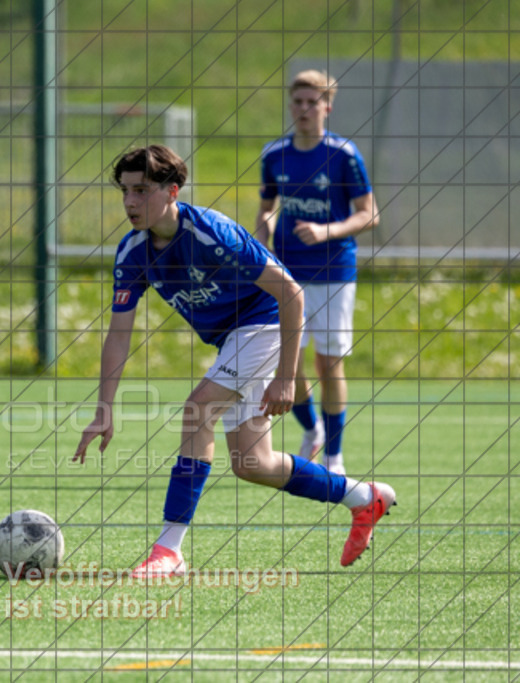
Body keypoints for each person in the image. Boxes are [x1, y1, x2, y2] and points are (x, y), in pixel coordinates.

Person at [73, 145, 395, 577]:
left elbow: (291, 294)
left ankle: (169, 550)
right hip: (232, 340)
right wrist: (104, 409)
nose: (130, 202)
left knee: (197, 409)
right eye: (126, 191)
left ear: (172, 191)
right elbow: (118, 334)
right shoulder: (132, 253)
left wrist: (286, 378)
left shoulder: (212, 232)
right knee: (252, 464)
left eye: (142, 191)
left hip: (264, 323)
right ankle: (364, 496)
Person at [255, 69, 380, 476]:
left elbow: (369, 214)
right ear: (290, 105)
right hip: (289, 274)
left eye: (313, 102)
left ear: (327, 107)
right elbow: (268, 205)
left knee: (329, 363)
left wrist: (327, 230)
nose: (305, 109)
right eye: (298, 102)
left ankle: (334, 456)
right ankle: (312, 429)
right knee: (289, 363)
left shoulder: (343, 155)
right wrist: (264, 230)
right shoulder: (274, 154)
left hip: (334, 272)